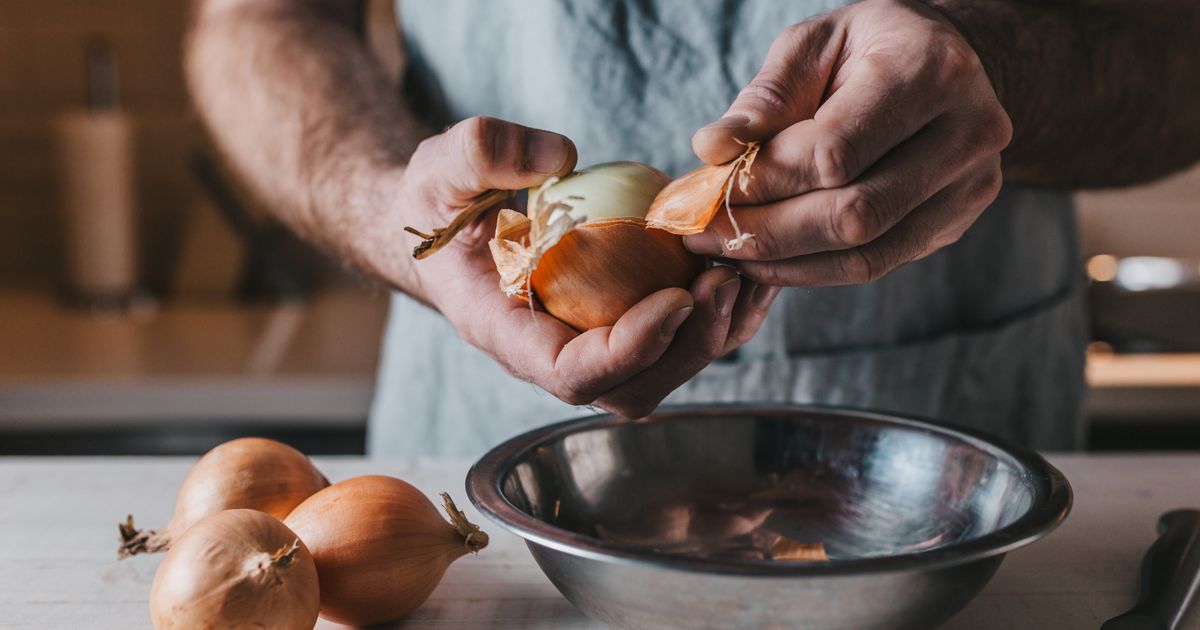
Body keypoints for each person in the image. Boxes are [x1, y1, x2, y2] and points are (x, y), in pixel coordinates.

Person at [186, 0, 1200, 456]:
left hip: (951, 459)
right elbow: (255, 20)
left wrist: (996, 68)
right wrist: (383, 205)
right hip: (483, 448)